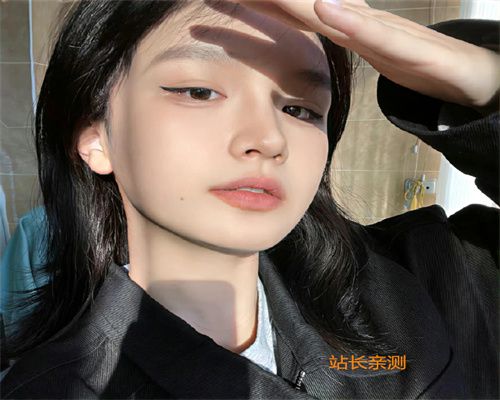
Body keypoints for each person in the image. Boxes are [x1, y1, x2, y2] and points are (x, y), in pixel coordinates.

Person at [0, 0, 498, 398]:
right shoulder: (59, 387)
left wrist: (487, 84)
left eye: (300, 110)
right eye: (198, 91)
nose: (268, 138)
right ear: (95, 137)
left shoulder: (425, 276)